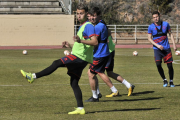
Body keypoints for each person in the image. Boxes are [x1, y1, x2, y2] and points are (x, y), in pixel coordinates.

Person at [20, 3, 98, 115]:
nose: (79, 15)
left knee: (56, 63)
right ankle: (80, 108)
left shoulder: (88, 26)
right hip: (80, 57)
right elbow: (83, 46)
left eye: (82, 13)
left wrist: (80, 41)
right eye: (78, 13)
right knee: (74, 82)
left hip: (79, 58)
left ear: (87, 14)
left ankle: (33, 76)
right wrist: (70, 46)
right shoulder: (82, 26)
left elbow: (95, 42)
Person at [85, 7, 120, 102]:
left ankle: (98, 95)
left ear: (98, 16)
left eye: (94, 16)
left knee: (94, 73)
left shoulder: (98, 26)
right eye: (91, 16)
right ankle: (98, 93)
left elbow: (94, 41)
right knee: (92, 73)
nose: (92, 18)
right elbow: (109, 32)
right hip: (102, 53)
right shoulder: (102, 24)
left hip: (100, 54)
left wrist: (82, 40)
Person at [148, 11, 177, 87]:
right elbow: (149, 38)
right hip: (157, 49)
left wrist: (174, 45)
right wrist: (157, 45)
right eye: (154, 17)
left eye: (157, 17)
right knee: (158, 64)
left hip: (166, 48)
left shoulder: (166, 24)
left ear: (159, 16)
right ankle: (164, 80)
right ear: (152, 18)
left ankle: (171, 81)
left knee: (170, 65)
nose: (155, 19)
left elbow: (171, 34)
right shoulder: (151, 27)